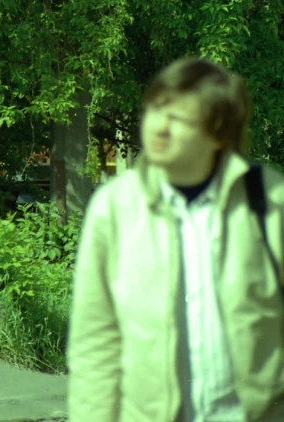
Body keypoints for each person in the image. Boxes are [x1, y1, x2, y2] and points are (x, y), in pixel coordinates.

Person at [68, 57, 284, 421]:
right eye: (154, 110)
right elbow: (95, 342)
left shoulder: (270, 200)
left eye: (179, 119)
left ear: (218, 134)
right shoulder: (115, 207)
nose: (159, 127)